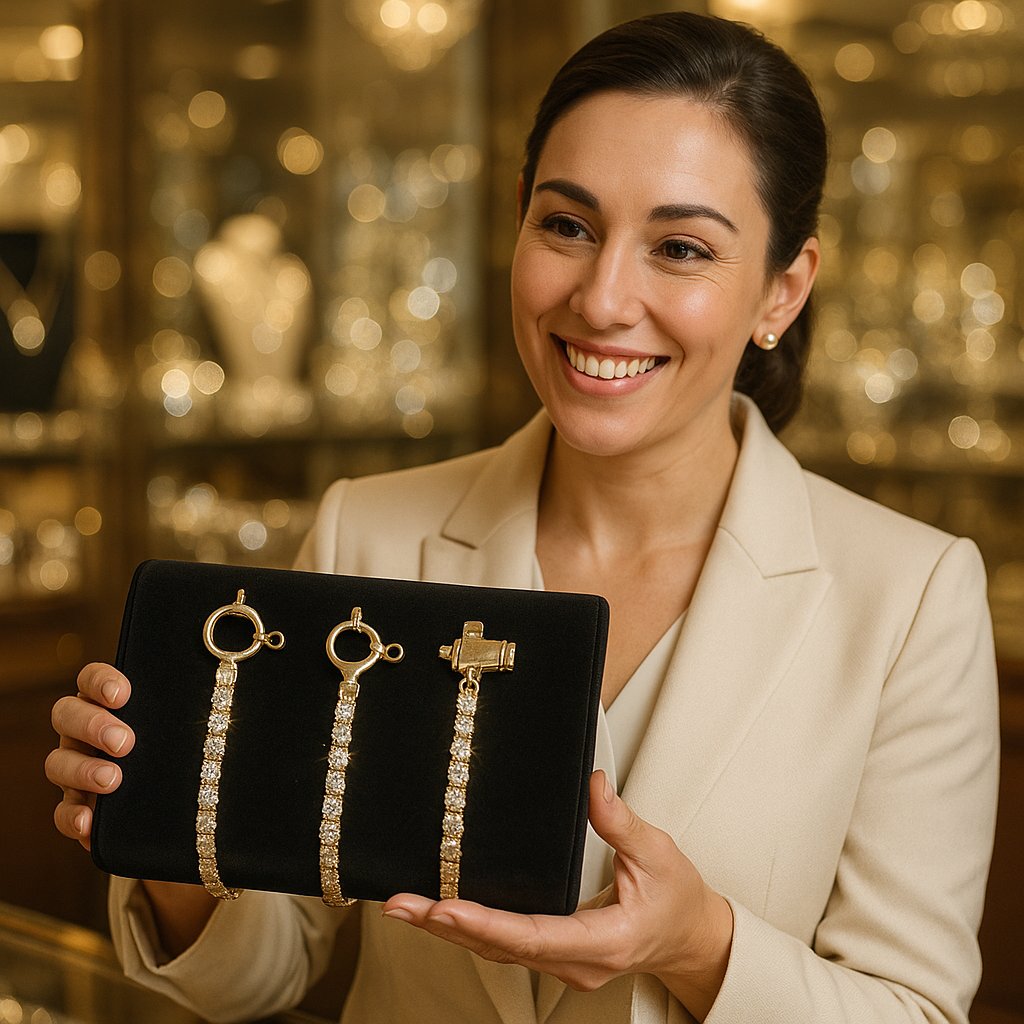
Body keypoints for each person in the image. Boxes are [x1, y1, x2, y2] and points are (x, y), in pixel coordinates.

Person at [46, 11, 999, 1024]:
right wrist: (172, 834)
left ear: (784, 287)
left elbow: (917, 1012)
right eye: (568, 226)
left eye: (679, 247)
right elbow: (266, 969)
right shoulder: (367, 531)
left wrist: (699, 947)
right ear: (517, 219)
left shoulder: (908, 598)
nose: (601, 298)